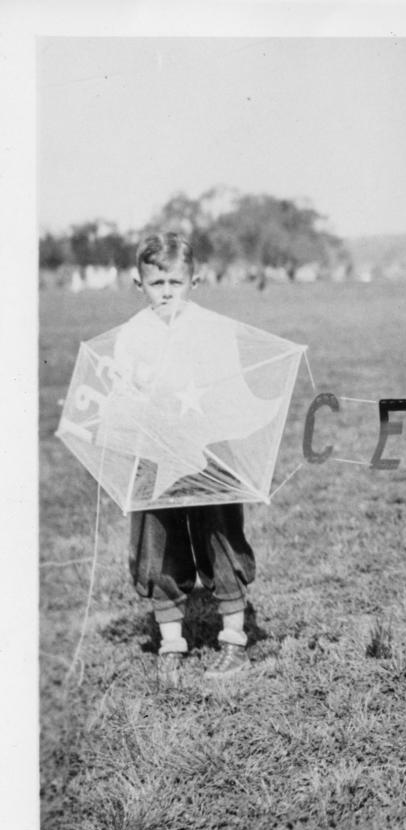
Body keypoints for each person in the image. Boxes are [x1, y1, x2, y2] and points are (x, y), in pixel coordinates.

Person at [115, 233, 260, 684]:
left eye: (176, 282)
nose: (167, 292)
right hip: (157, 451)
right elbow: (122, 394)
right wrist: (136, 389)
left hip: (205, 450)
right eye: (156, 283)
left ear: (194, 281)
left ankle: (234, 639)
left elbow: (227, 387)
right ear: (139, 284)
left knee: (219, 534)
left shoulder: (211, 327)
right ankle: (171, 641)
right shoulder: (133, 334)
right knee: (157, 543)